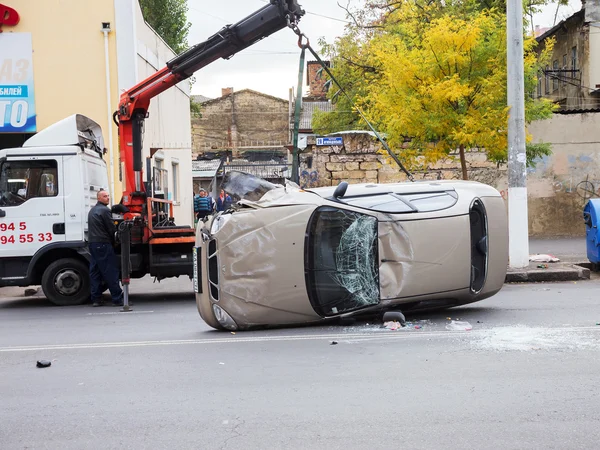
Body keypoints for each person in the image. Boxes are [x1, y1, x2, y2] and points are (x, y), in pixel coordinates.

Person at [88, 190, 123, 307]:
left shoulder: (92, 210)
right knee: (110, 271)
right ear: (98, 198)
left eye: (108, 196)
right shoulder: (105, 211)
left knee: (95, 272)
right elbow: (112, 229)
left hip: (93, 244)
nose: (107, 198)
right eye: (105, 196)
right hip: (103, 244)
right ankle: (117, 298)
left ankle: (96, 299)